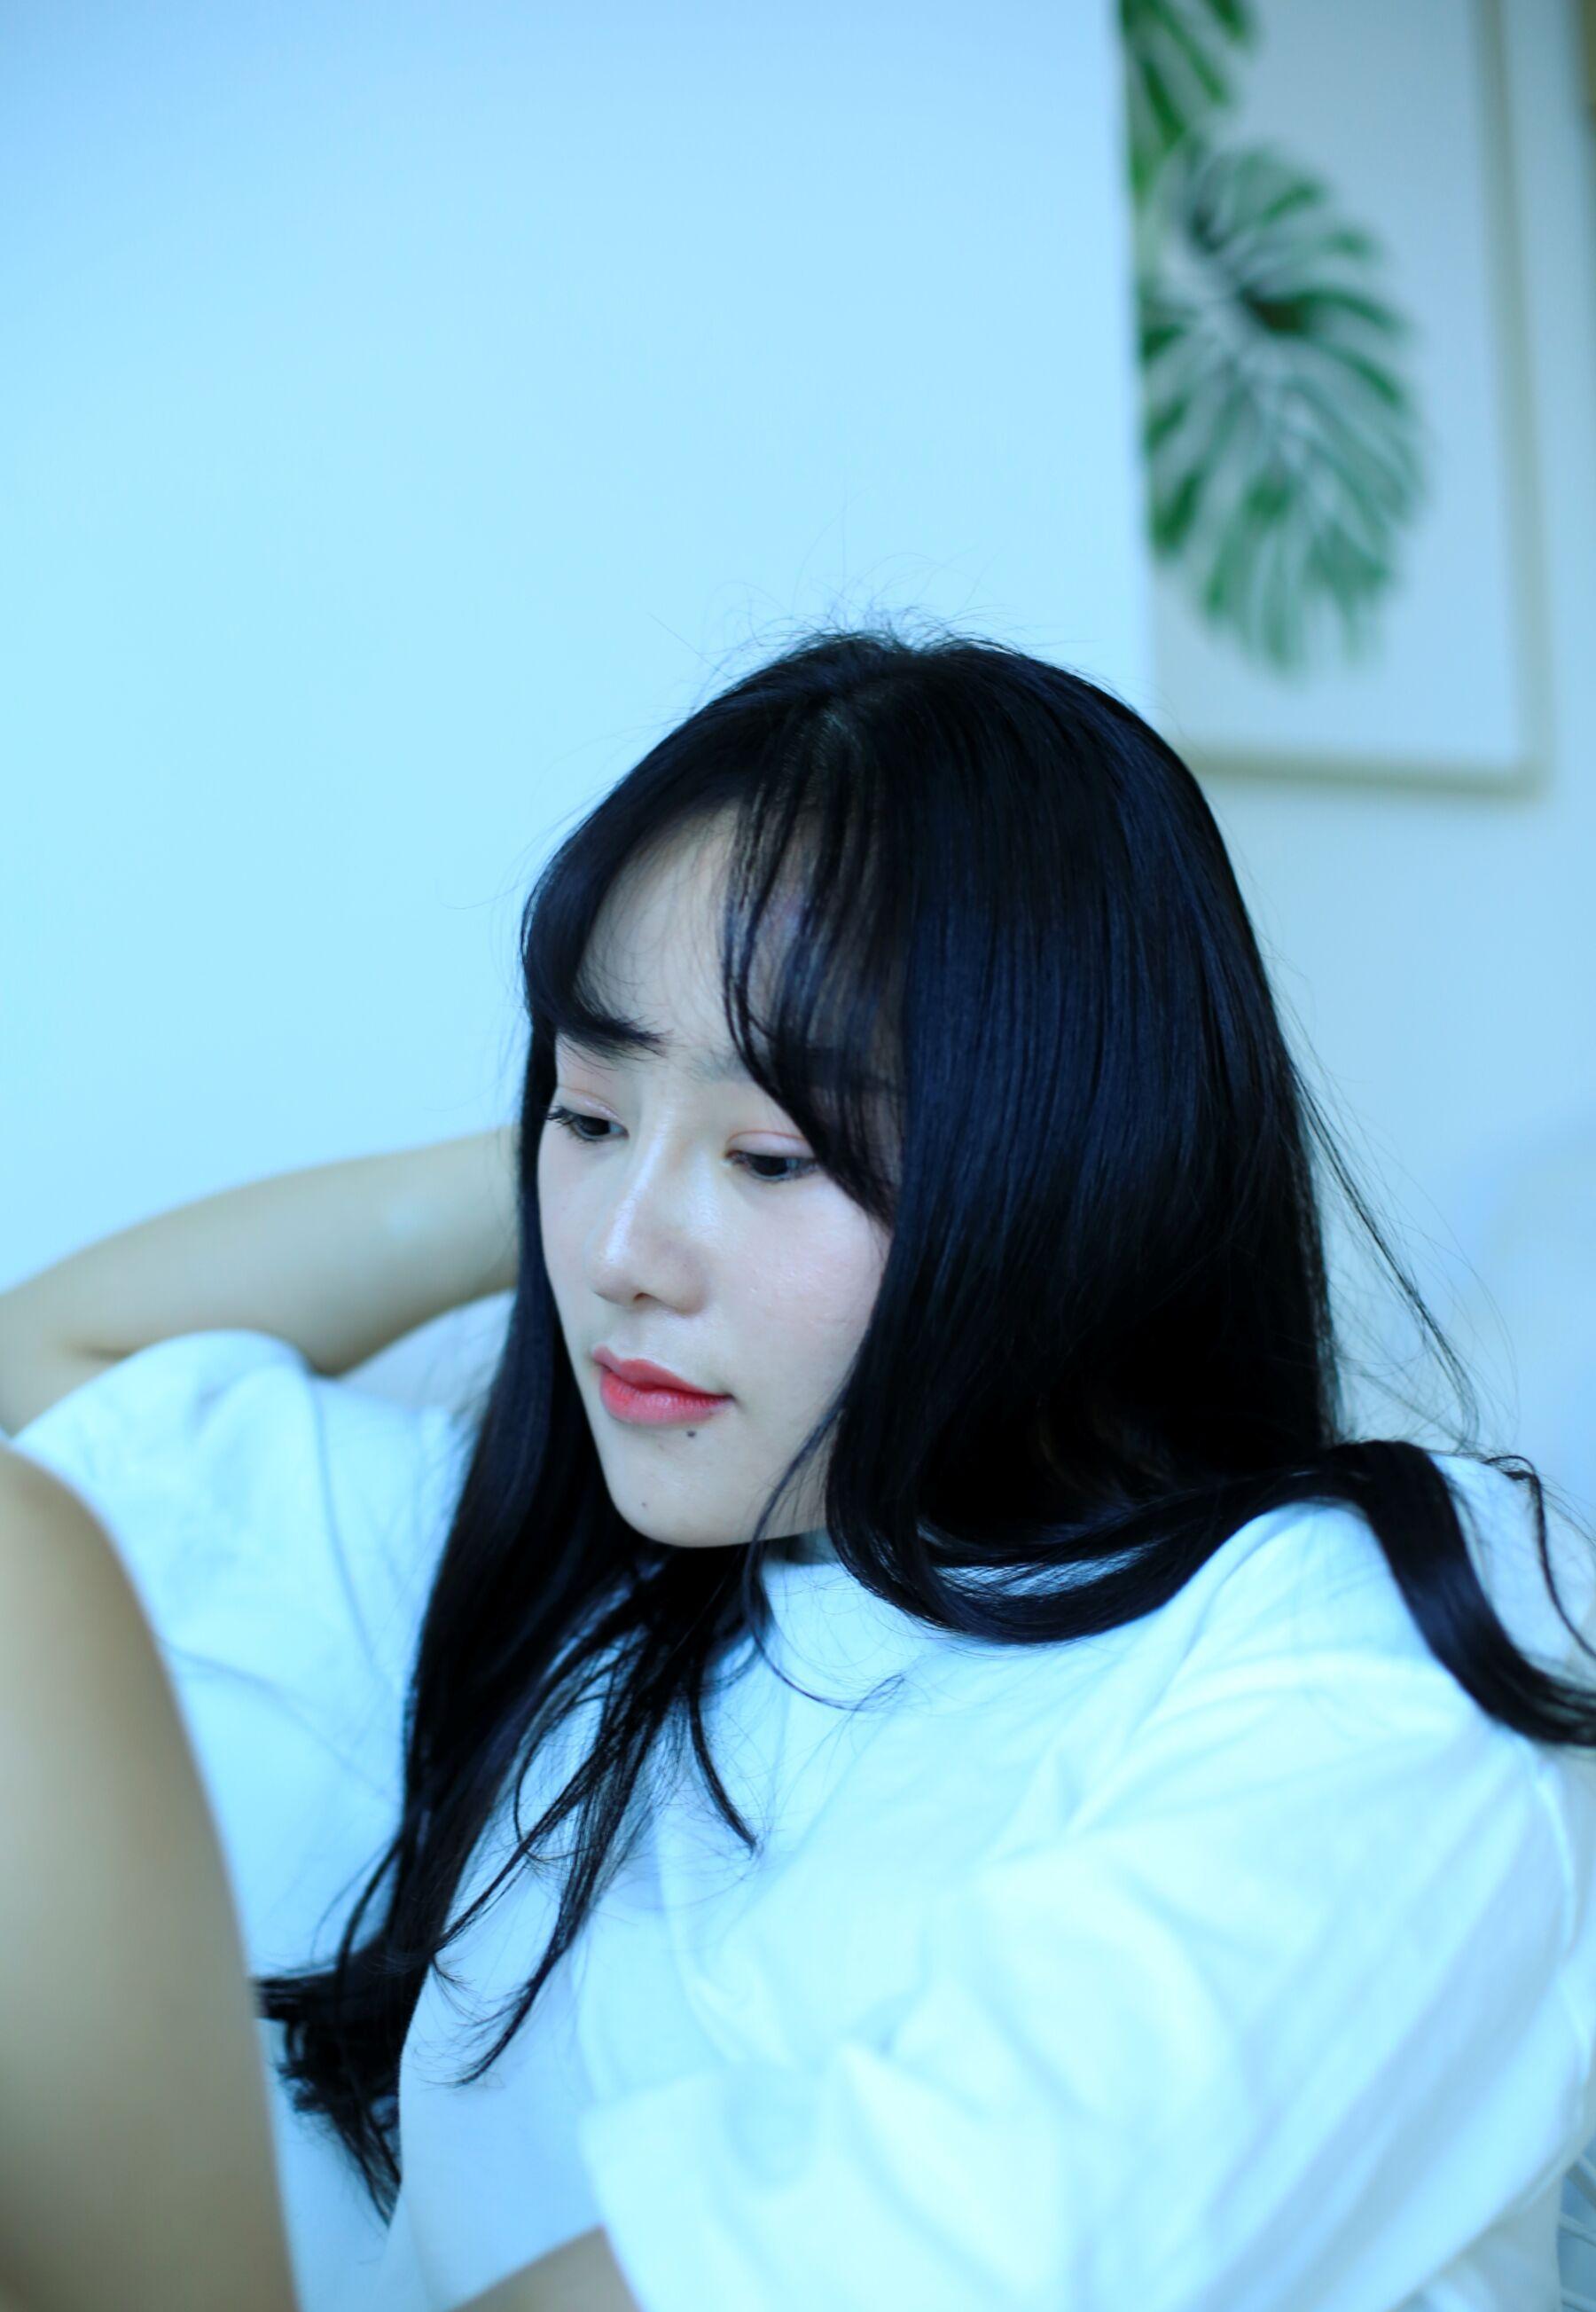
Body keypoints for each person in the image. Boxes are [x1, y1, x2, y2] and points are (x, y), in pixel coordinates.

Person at [4, 617, 1596, 2312]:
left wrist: (655, 1114)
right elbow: (55, 1387)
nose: (620, 1254)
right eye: (581, 1119)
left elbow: (938, 2254)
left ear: (1062, 1176)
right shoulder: (605, 1600)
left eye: (779, 1157)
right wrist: (654, 1125)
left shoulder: (1382, 1624)